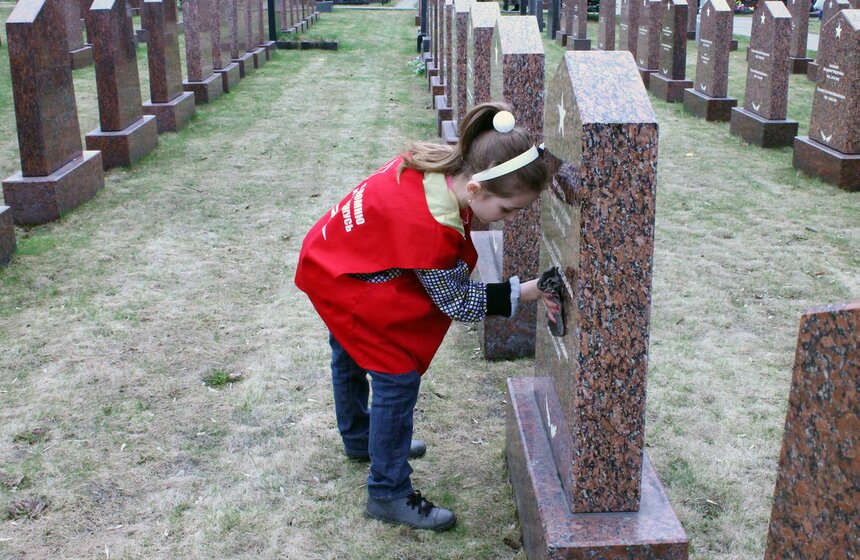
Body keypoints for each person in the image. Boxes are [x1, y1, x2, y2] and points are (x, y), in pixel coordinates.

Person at [294, 102, 559, 532]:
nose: (510, 219)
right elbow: (457, 302)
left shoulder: (437, 167)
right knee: (396, 375)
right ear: (475, 189)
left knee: (349, 350)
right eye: (507, 210)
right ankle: (388, 492)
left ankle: (362, 438)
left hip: (333, 258)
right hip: (341, 277)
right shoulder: (428, 229)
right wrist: (525, 290)